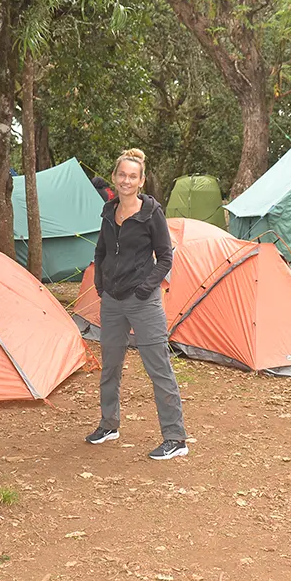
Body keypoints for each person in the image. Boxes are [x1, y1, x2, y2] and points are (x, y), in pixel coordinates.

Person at [85, 148, 189, 460]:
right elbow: (101, 250)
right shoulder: (109, 210)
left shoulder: (151, 213)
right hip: (112, 301)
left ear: (141, 180)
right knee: (110, 367)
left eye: (133, 176)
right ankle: (109, 424)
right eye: (122, 175)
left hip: (143, 303)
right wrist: (101, 284)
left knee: (159, 368)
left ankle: (175, 438)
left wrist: (145, 289)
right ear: (115, 177)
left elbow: (166, 256)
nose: (126, 180)